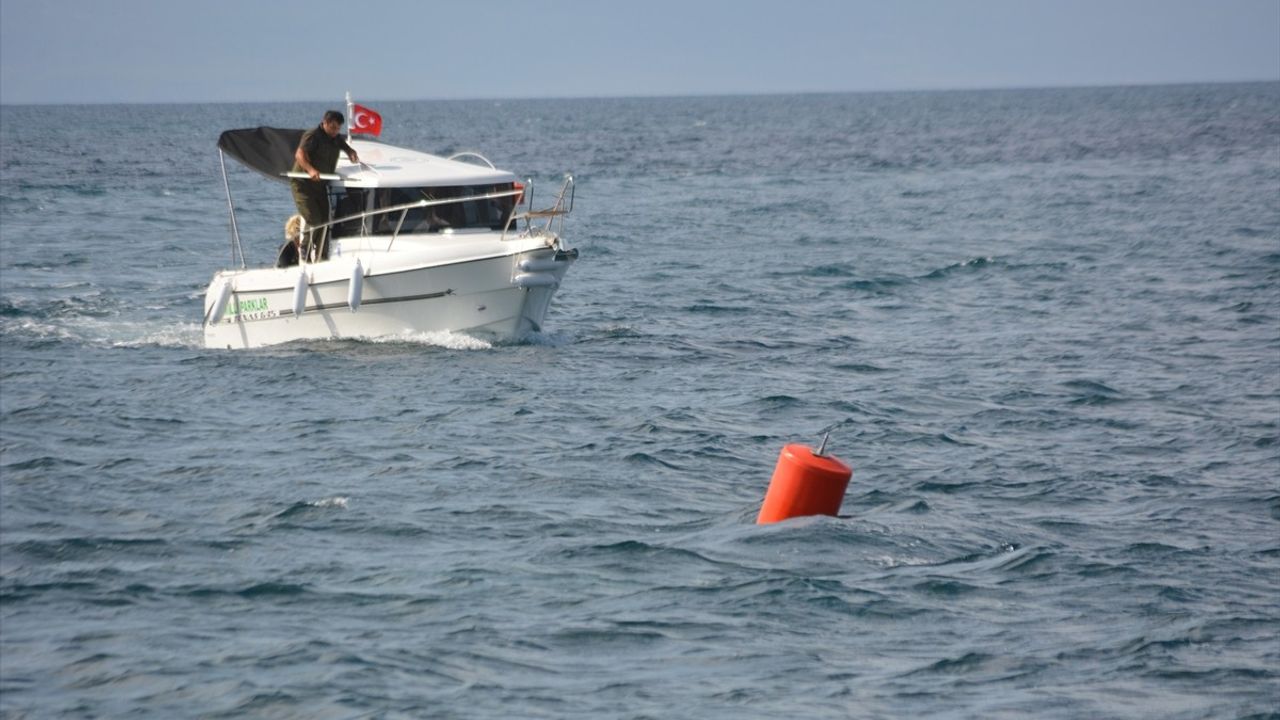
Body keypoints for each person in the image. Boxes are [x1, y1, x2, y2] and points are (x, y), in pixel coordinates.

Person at [290, 110, 359, 260]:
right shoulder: (313, 135)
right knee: (314, 219)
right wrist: (310, 170)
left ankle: (321, 254)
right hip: (303, 184)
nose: (335, 131)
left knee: (325, 221)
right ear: (325, 123)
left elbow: (344, 146)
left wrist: (351, 152)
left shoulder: (335, 137)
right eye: (333, 127)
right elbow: (299, 154)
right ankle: (304, 247)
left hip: (320, 186)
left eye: (338, 128)